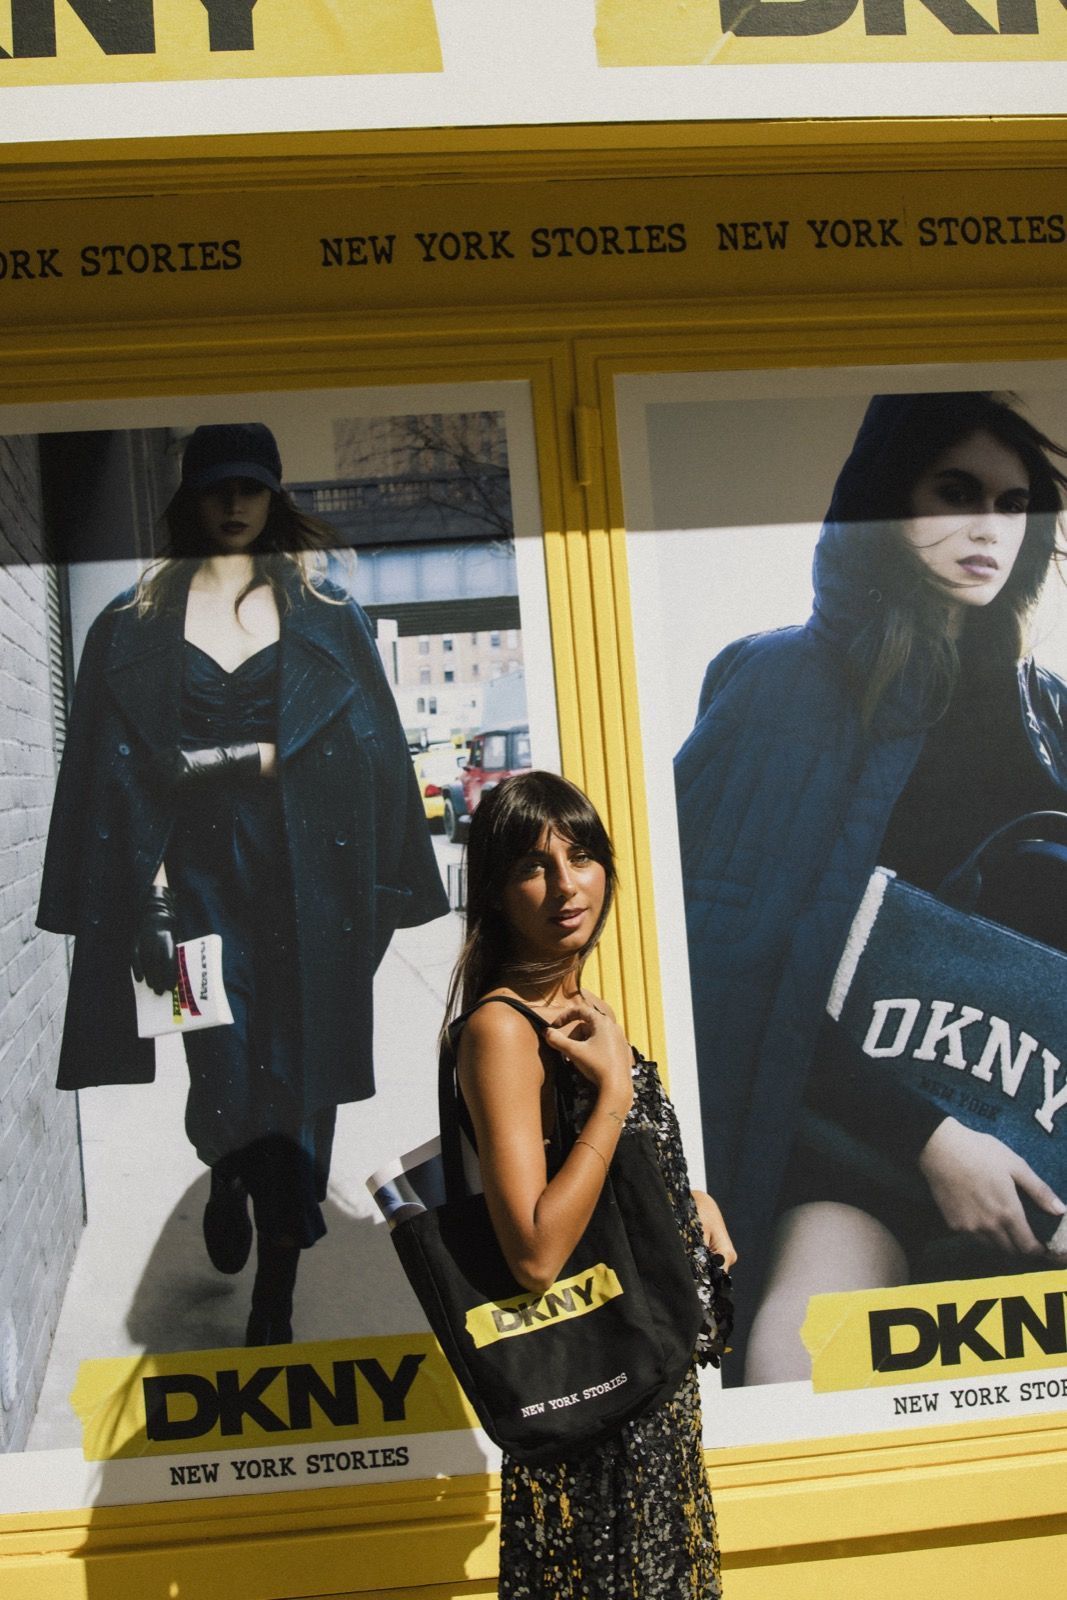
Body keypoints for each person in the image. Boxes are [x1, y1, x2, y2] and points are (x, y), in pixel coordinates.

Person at [675, 391, 1067, 1384]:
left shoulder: (1047, 716)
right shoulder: (774, 684)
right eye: (955, 490)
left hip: (1044, 1137)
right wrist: (932, 1140)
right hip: (851, 1145)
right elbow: (722, 975)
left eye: (1013, 501)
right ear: (884, 500)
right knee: (795, 1371)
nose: (987, 525)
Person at [38, 422, 448, 1345]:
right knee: (220, 1074)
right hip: (189, 892)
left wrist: (250, 757)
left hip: (309, 892)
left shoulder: (327, 616)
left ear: (274, 498)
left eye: (250, 489)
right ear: (190, 498)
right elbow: (102, 772)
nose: (233, 504)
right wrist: (130, 888)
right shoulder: (132, 624)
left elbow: (371, 758)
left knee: (305, 1090)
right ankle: (223, 1164)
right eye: (218, 488)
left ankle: (278, 1285)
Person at [442, 769, 735, 1598]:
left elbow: (598, 1173)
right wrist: (613, 1097)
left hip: (648, 1399)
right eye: (534, 866)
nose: (566, 885)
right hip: (596, 1420)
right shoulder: (502, 1029)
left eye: (581, 856)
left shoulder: (576, 1005)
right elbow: (534, 1252)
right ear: (496, 894)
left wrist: (687, 1200)